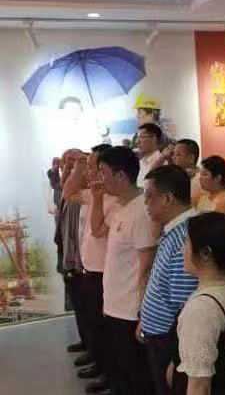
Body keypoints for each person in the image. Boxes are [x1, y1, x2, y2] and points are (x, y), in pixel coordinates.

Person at [92, 146, 157, 395]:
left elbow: (146, 266)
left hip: (130, 313)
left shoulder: (142, 211)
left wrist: (143, 315)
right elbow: (97, 231)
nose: (100, 178)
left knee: (135, 378)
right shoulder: (121, 207)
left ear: (120, 175)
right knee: (120, 373)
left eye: (103, 172)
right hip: (114, 306)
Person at [62, 144, 120, 394]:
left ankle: (109, 375)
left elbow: (97, 231)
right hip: (89, 270)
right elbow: (67, 192)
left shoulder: (114, 200)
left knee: (104, 331)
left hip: (105, 274)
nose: (89, 171)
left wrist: (96, 196)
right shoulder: (91, 193)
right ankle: (101, 366)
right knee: (94, 326)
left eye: (93, 167)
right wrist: (76, 169)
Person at [139, 165, 198, 395]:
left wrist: (177, 356)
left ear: (168, 198)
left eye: (149, 197)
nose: (145, 203)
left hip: (169, 341)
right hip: (158, 335)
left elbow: (184, 304)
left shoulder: (187, 236)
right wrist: (144, 319)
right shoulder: (174, 230)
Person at [171, 212, 225, 395]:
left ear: (205, 253)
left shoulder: (201, 309)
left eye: (186, 243)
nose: (182, 250)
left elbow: (199, 385)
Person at [55, 149, 92, 366]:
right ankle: (86, 341)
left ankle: (93, 350)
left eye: (74, 161)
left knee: (88, 309)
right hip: (68, 258)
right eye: (66, 161)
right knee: (79, 306)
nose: (69, 165)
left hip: (80, 261)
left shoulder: (83, 195)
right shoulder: (66, 193)